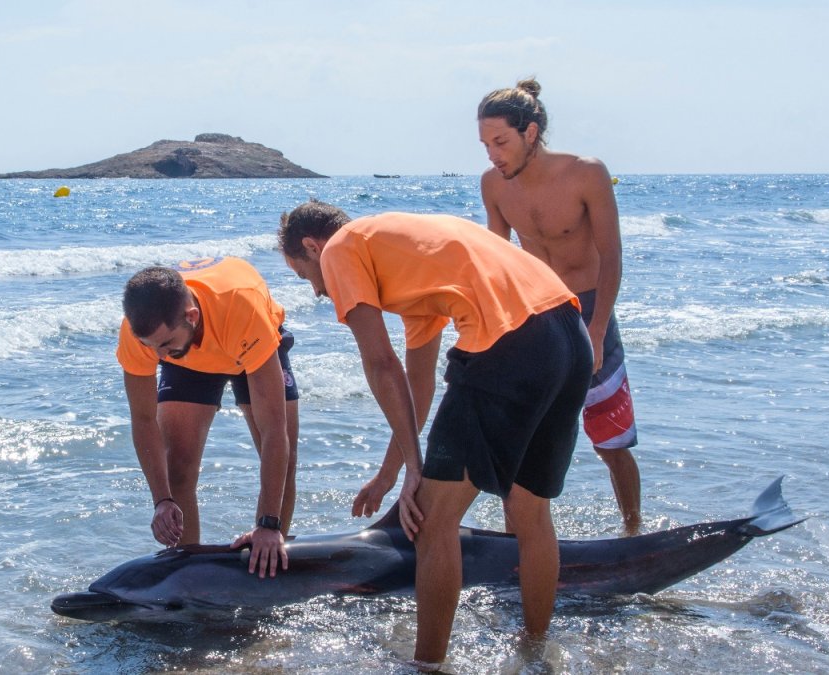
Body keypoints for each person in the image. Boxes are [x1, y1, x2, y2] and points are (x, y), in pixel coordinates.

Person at [278, 202, 592, 666]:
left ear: (312, 246)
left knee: (431, 521)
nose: (320, 290)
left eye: (306, 276)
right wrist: (393, 473)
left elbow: (380, 362)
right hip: (568, 335)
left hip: (511, 344)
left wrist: (416, 477)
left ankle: (427, 665)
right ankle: (535, 651)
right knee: (529, 511)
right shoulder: (404, 258)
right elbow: (417, 384)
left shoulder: (341, 248)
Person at [478, 77, 642, 535]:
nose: (492, 153)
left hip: (590, 310)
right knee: (520, 434)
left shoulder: (586, 173)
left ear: (530, 133)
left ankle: (633, 530)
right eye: (486, 143)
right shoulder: (493, 184)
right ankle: (518, 539)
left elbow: (612, 257)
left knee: (609, 440)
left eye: (501, 142)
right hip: (536, 314)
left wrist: (596, 327)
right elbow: (500, 261)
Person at [117, 257, 298, 578]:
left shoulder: (241, 308)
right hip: (187, 357)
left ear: (191, 317)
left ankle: (271, 550)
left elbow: (274, 429)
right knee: (177, 471)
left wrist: (268, 523)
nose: (156, 358)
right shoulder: (148, 336)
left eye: (163, 345)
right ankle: (186, 571)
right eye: (150, 347)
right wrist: (162, 500)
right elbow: (143, 420)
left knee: (284, 457)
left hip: (247, 342)